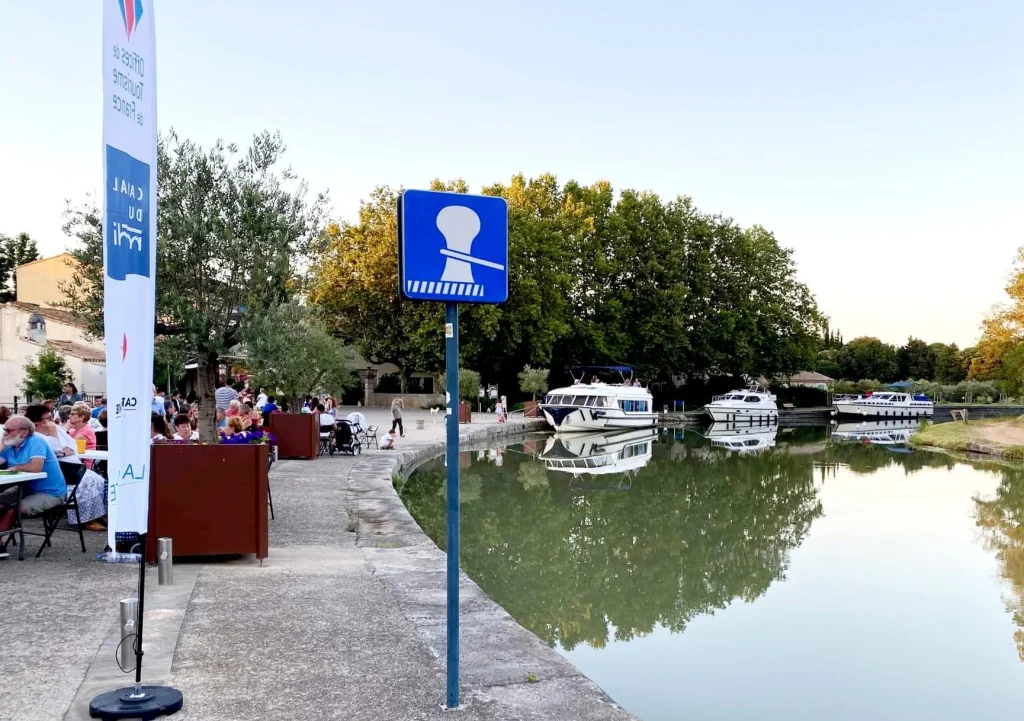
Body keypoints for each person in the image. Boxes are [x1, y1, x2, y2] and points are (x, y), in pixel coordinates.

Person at [0, 416, 68, 542]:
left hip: (50, 492)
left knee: (13, 510)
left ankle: (0, 542)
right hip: (26, 488)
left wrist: (16, 467)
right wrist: (1, 445)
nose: (5, 433)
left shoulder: (36, 441)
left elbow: (36, 467)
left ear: (24, 432)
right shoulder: (10, 444)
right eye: (5, 429)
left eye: (8, 430)